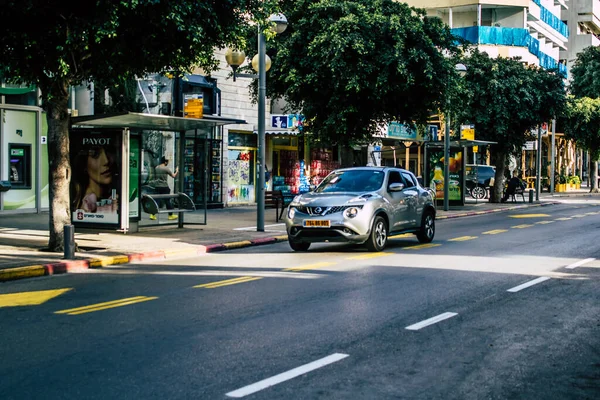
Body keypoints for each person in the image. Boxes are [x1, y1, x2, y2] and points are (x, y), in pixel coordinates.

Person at [71, 142, 119, 214]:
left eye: (109, 151)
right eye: (95, 154)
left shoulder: (115, 196)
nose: (106, 161)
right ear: (83, 163)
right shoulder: (85, 204)